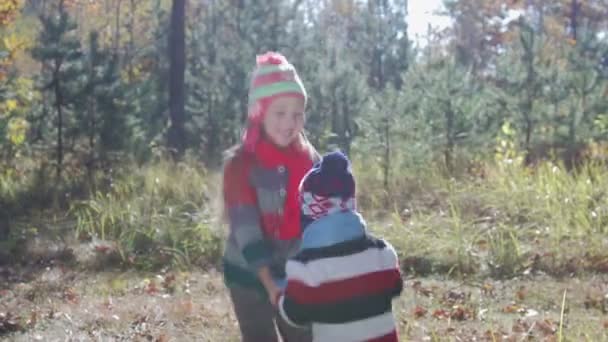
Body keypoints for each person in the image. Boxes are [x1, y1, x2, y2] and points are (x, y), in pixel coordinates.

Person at [222, 51, 318, 342]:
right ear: (259, 112)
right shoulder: (241, 166)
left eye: (297, 114)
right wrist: (269, 283)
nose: (289, 123)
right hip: (249, 274)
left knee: (304, 334)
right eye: (280, 112)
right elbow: (246, 231)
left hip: (292, 270)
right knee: (259, 335)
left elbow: (320, 214)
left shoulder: (309, 160)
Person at [278, 151, 403, 342]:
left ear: (307, 213)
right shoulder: (383, 253)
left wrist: (279, 295)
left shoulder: (305, 269)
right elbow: (395, 288)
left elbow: (294, 315)